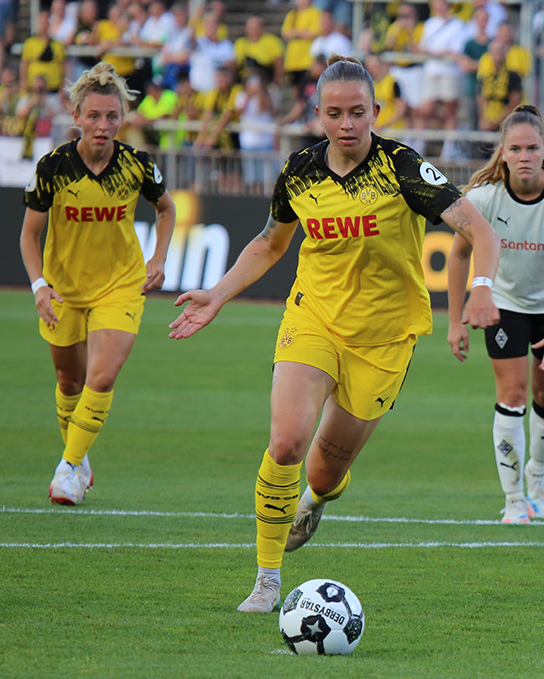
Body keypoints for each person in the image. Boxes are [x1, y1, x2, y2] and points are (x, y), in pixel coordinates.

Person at [168, 55, 502, 613]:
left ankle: (317, 499)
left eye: (357, 112)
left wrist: (483, 286)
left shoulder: (403, 168)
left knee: (324, 470)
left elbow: (480, 231)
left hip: (386, 335)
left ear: (376, 111)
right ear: (316, 114)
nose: (346, 124)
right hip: (313, 318)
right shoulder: (299, 170)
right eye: (334, 114)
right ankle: (267, 578)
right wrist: (217, 295)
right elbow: (270, 243)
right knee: (286, 442)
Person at [20, 62, 176, 506]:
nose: (103, 126)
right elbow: (29, 235)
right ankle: (80, 456)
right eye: (94, 116)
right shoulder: (53, 167)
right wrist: (39, 286)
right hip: (64, 289)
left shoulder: (137, 166)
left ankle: (67, 469)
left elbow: (167, 210)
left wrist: (158, 256)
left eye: (112, 116)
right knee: (70, 381)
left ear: (122, 118)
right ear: (77, 116)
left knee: (102, 376)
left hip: (120, 286)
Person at [447, 105, 544, 524]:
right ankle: (514, 499)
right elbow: (458, 257)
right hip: (504, 305)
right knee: (511, 396)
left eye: (533, 147)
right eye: (516, 148)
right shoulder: (482, 198)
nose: (525, 155)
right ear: (504, 153)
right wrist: (455, 320)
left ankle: (538, 471)